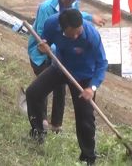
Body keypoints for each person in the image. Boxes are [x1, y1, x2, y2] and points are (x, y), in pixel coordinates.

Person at [26, 9, 108, 165]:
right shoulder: (52, 23)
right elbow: (45, 43)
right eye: (73, 33)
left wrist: (92, 88)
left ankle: (88, 157)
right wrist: (42, 48)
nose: (76, 36)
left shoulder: (91, 35)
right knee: (33, 93)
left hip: (85, 77)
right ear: (63, 29)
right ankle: (38, 132)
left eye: (79, 32)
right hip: (61, 68)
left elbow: (102, 64)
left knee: (85, 118)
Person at [27, 0, 106, 133]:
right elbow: (44, 37)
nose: (71, 1)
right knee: (38, 92)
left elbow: (77, 16)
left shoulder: (90, 34)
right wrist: (45, 46)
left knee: (79, 108)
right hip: (43, 56)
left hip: (67, 59)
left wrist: (92, 87)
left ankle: (57, 125)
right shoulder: (46, 10)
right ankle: (40, 126)